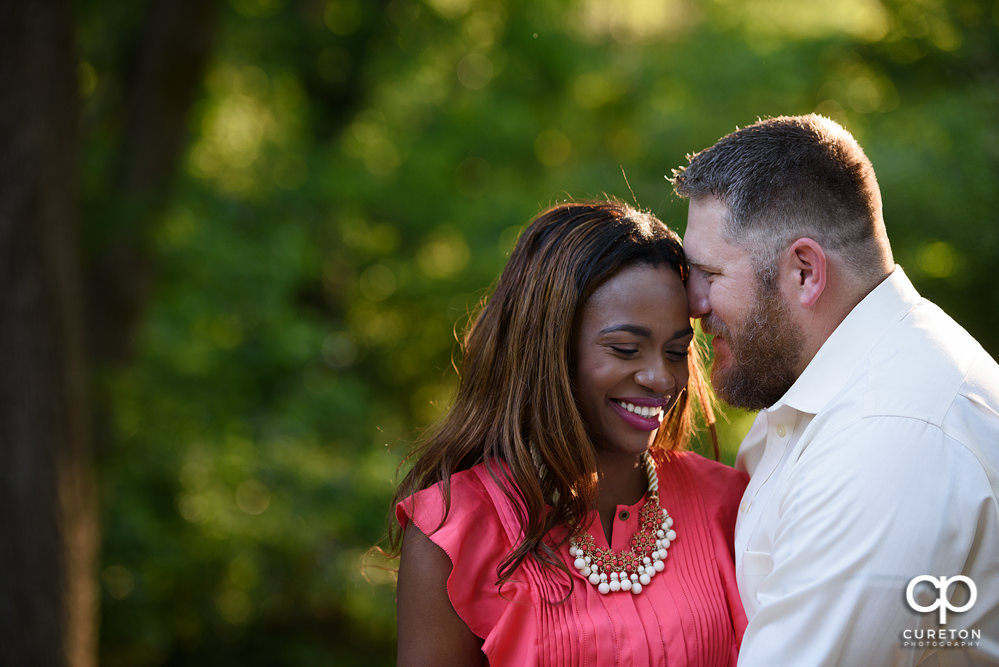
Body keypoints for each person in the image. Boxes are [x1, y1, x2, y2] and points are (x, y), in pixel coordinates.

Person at [671, 114, 999, 666]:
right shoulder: (834, 393)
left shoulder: (888, 437)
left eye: (709, 274)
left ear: (804, 271)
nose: (692, 304)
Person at [391, 200, 749, 666]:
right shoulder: (453, 531)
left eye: (677, 351)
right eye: (626, 349)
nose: (661, 379)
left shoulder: (729, 502)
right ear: (548, 348)